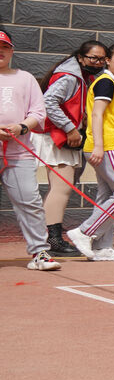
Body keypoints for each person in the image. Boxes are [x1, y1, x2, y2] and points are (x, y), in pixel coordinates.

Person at [65, 42, 114, 261]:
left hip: (112, 143)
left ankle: (101, 247)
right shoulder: (105, 83)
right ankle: (85, 232)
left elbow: (111, 120)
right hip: (107, 147)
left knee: (107, 196)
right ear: (108, 61)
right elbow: (96, 115)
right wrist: (98, 145)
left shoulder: (113, 84)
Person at [39, 39, 108, 260]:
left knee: (60, 188)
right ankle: (52, 239)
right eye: (93, 58)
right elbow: (48, 101)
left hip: (64, 137)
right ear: (81, 57)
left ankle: (47, 237)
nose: (98, 63)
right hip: (58, 138)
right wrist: (70, 128)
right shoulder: (70, 77)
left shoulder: (83, 76)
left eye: (101, 59)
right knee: (62, 188)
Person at [0, 28, 53, 271]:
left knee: (29, 201)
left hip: (18, 152)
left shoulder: (25, 78)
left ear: (11, 51)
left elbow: (38, 112)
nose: (0, 52)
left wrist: (22, 127)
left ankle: (40, 252)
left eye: (4, 47)